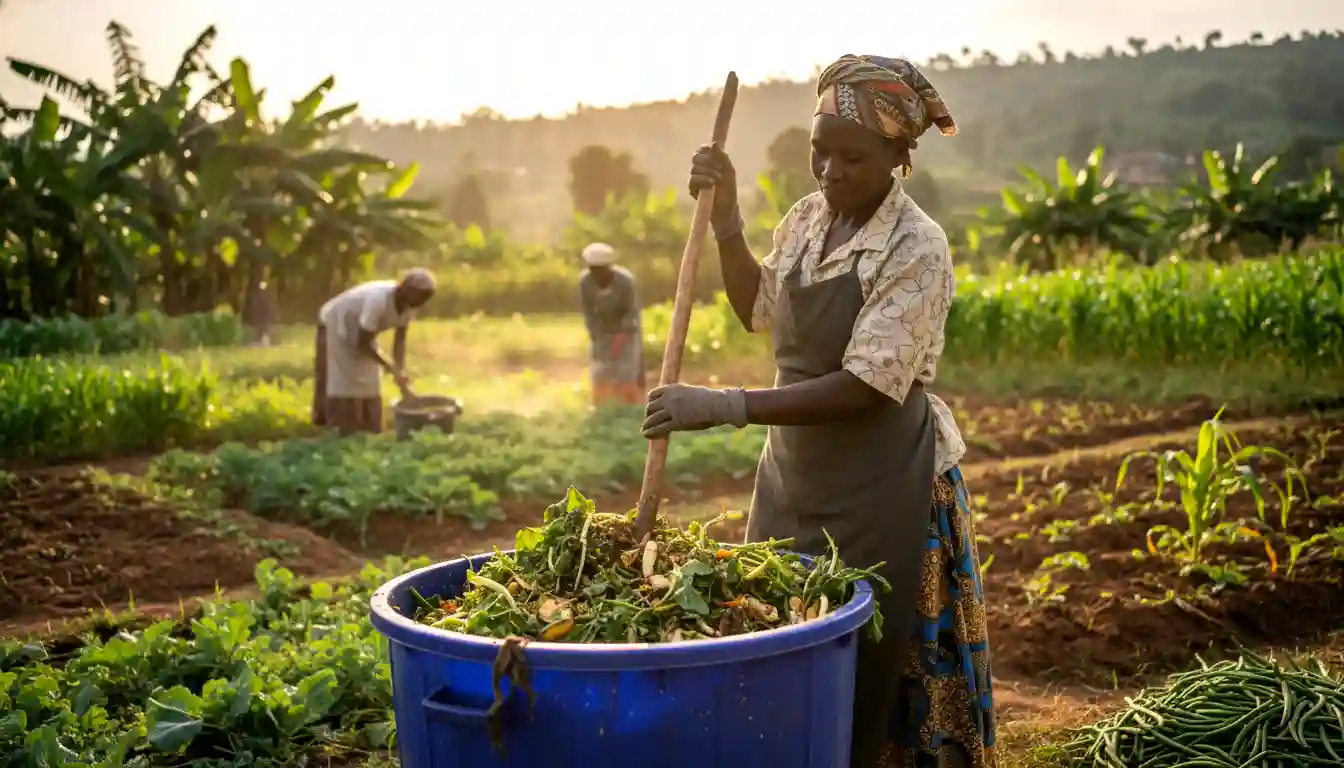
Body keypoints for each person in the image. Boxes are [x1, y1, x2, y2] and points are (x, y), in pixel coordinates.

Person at [643, 55, 995, 768]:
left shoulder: (915, 245)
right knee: (776, 640)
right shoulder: (808, 218)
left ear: (900, 156)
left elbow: (867, 386)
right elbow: (757, 309)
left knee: (878, 664)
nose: (830, 170)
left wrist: (725, 406)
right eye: (820, 150)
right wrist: (728, 218)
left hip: (885, 487)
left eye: (852, 156)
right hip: (795, 477)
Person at [313, 268, 436, 435]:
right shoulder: (378, 299)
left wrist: (399, 369)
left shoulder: (409, 307)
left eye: (426, 297)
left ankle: (368, 429)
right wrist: (389, 366)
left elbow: (400, 341)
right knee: (342, 380)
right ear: (404, 289)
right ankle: (341, 428)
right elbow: (363, 342)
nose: (422, 301)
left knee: (370, 378)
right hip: (337, 322)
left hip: (362, 332)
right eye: (420, 295)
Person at [579, 242, 645, 406]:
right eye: (593, 269)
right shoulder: (585, 282)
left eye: (600, 269)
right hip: (602, 332)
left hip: (627, 331)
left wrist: (622, 335)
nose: (596, 273)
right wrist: (596, 334)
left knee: (626, 370)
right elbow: (588, 312)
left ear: (609, 267)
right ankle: (601, 407)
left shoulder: (625, 281)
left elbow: (631, 310)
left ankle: (630, 407)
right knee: (600, 370)